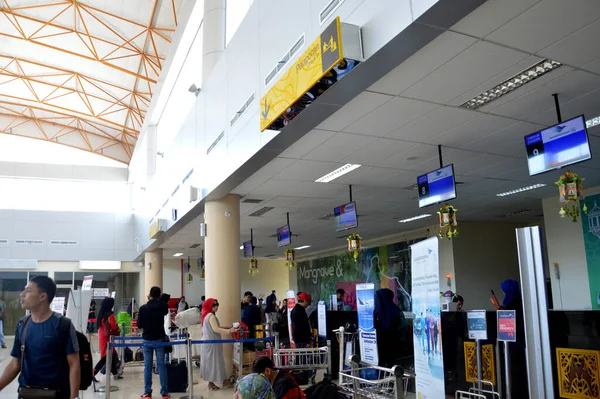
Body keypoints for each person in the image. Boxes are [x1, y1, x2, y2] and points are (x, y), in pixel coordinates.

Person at [0, 276, 80, 399]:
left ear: (42, 297)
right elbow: (15, 364)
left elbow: (74, 364)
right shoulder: (22, 324)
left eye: (28, 291)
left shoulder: (62, 325)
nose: (22, 294)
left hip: (56, 394)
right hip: (27, 393)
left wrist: (74, 396)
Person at [138, 286, 170, 399]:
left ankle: (147, 392)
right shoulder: (162, 306)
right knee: (161, 365)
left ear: (149, 295)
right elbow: (165, 310)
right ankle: (164, 392)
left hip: (147, 339)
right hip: (160, 338)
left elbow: (139, 326)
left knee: (147, 365)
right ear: (159, 295)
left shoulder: (142, 308)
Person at [500, 279, 528, 398]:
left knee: (517, 370)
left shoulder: (513, 305)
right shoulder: (520, 303)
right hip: (517, 342)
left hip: (516, 343)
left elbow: (514, 324)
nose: (503, 294)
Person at [200, 298, 236, 391]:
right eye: (214, 305)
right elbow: (215, 329)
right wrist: (229, 331)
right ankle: (215, 383)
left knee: (213, 363)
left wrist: (225, 327)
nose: (216, 307)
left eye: (217, 305)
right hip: (212, 344)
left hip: (209, 343)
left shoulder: (206, 315)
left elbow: (214, 327)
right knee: (215, 363)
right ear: (209, 306)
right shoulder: (211, 315)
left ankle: (219, 382)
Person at [374, 288, 406, 368]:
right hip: (392, 341)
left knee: (384, 362)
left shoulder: (378, 311)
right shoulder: (395, 310)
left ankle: (383, 377)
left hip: (384, 342)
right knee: (390, 362)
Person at [93, 297, 122, 381]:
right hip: (107, 337)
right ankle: (93, 372)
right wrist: (118, 329)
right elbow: (114, 326)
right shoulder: (110, 314)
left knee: (111, 355)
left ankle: (115, 374)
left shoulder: (101, 314)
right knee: (106, 357)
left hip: (102, 336)